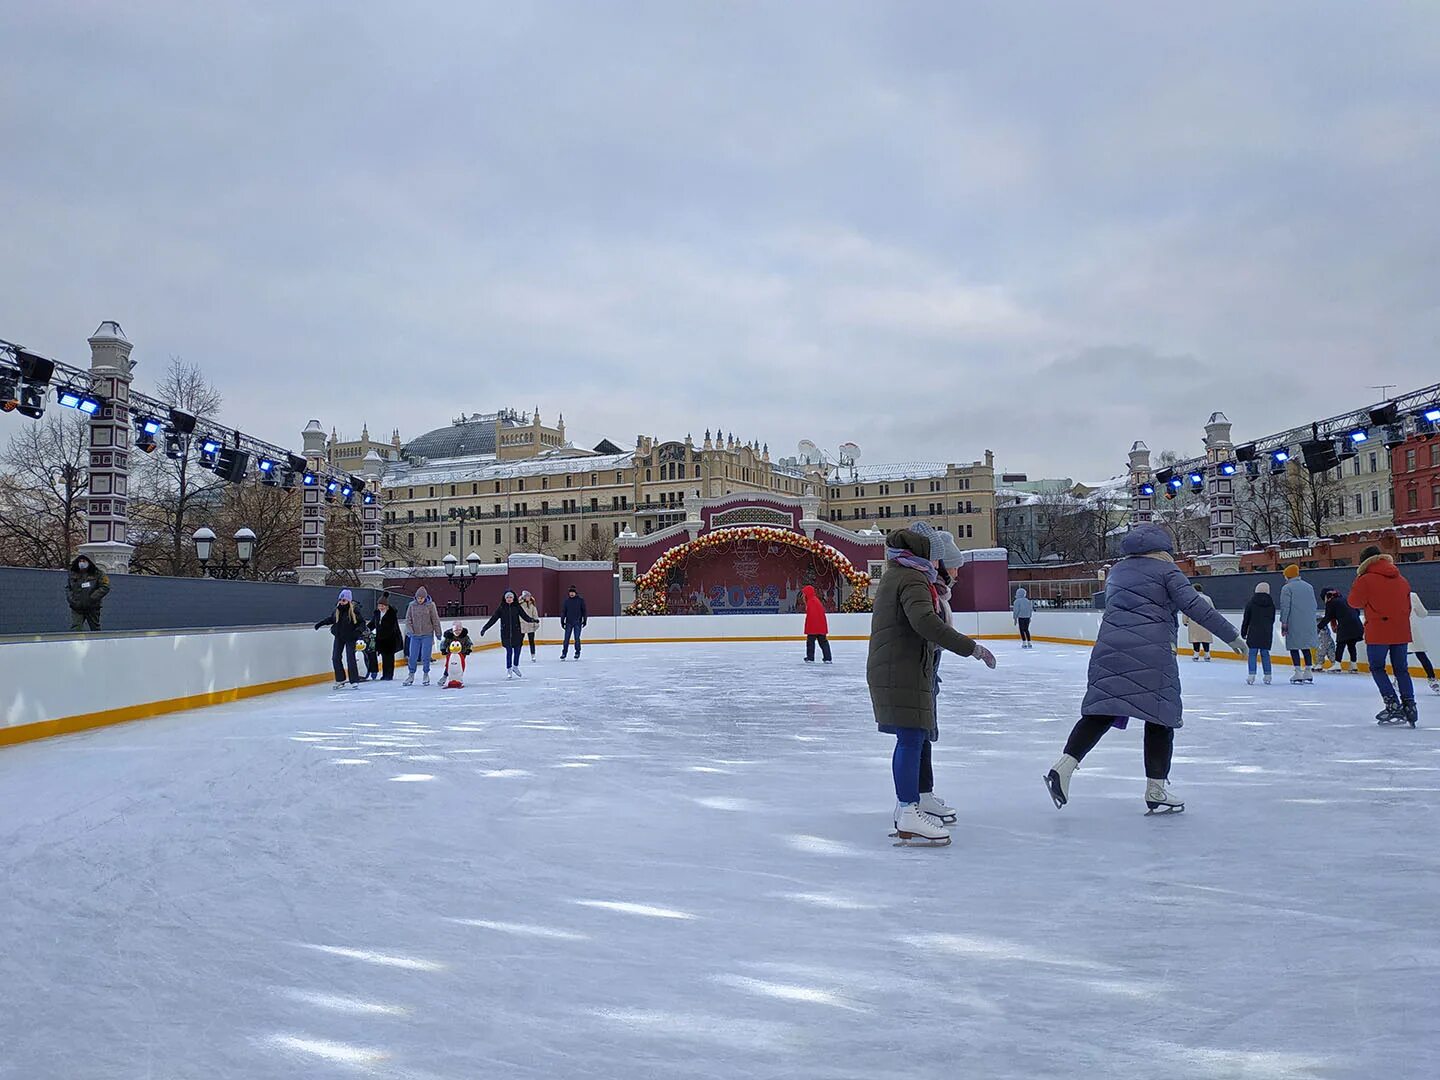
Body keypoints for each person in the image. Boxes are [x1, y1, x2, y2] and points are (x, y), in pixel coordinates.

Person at [1044, 525, 1242, 815]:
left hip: (1108, 648)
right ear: (1163, 549)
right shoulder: (1166, 571)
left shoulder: (1118, 572)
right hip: (1152, 651)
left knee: (1102, 711)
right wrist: (1233, 636)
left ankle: (1063, 767)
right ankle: (1156, 788)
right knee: (1160, 716)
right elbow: (1196, 607)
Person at [868, 527, 996, 846]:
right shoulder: (912, 578)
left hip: (903, 666)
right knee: (911, 738)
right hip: (903, 667)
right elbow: (925, 622)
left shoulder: (898, 574)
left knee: (914, 736)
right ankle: (909, 809)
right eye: (936, 558)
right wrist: (972, 648)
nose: (939, 564)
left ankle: (909, 806)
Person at [1348, 546, 1417, 726]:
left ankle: (1392, 703)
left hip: (1378, 631)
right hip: (1401, 630)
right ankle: (1410, 705)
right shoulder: (1402, 579)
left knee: (1378, 668)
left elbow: (1354, 602)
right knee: (1401, 669)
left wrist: (1358, 582)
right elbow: (1408, 606)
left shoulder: (1365, 580)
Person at [315, 589, 365, 689]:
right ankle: (340, 679)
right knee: (335, 657)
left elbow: (362, 623)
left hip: (351, 637)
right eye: (340, 600)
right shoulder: (337, 610)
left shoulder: (354, 610)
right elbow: (331, 619)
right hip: (339, 636)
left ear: (349, 601)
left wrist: (358, 633)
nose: (342, 602)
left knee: (350, 659)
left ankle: (354, 680)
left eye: (344, 600)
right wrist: (321, 623)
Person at [482, 590, 539, 678]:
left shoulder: (517, 607)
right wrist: (485, 628)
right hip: (506, 633)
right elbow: (493, 619)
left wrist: (533, 620)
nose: (509, 599)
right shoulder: (501, 608)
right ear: (505, 599)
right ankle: (509, 668)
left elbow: (525, 617)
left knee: (517, 650)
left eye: (510, 597)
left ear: (513, 598)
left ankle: (515, 666)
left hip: (517, 632)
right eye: (507, 597)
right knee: (509, 651)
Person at [1278, 564, 1319, 684]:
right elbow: (1314, 604)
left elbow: (1285, 606)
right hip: (1309, 621)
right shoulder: (1309, 586)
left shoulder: (1287, 588)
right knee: (1306, 646)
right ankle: (1308, 671)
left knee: (1294, 646)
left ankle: (1298, 672)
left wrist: (1284, 622)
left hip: (1293, 621)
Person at [403, 585, 443, 687]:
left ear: (425, 597)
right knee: (413, 656)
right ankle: (411, 675)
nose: (420, 600)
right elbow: (408, 619)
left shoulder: (430, 605)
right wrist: (410, 631)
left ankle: (426, 674)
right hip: (415, 635)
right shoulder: (412, 606)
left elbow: (435, 619)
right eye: (418, 598)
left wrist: (438, 633)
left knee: (426, 656)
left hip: (427, 634)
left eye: (422, 598)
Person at [1241, 582, 1277, 686]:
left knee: (1252, 653)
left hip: (1253, 631)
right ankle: (1268, 675)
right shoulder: (1271, 604)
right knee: (1265, 653)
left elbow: (1246, 619)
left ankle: (1251, 675)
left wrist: (1244, 632)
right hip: (1266, 632)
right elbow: (1272, 619)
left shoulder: (1251, 603)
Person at [1325, 586, 1366, 674]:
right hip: (1357, 625)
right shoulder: (1346, 599)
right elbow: (1357, 611)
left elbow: (1328, 617)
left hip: (1345, 626)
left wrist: (1319, 627)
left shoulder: (1332, 603)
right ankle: (1353, 665)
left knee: (1340, 644)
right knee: (1351, 645)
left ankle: (1337, 664)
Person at [66, 555, 110, 632]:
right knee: (76, 627)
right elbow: (68, 588)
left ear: (90, 562)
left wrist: (92, 598)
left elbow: (105, 587)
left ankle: (97, 642)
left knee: (95, 628)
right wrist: (71, 599)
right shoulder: (73, 573)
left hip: (92, 607)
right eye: (80, 561)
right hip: (77, 606)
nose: (81, 563)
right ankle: (76, 643)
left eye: (84, 561)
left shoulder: (98, 574)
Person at [368, 592, 403, 681]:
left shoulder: (391, 614)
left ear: (387, 606)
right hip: (381, 639)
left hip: (390, 639)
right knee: (384, 657)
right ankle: (384, 674)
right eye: (379, 606)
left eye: (383, 606)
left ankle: (389, 675)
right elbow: (372, 624)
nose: (381, 607)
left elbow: (391, 627)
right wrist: (366, 630)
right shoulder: (377, 614)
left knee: (389, 658)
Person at [1411, 592, 1438, 694]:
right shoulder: (1412, 596)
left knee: (1399, 657)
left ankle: (1397, 680)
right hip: (1411, 630)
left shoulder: (1388, 595)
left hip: (1398, 630)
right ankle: (1432, 679)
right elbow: (1423, 613)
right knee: (1421, 655)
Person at [1182, 584, 1216, 662]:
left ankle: (1196, 654)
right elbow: (1212, 610)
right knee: (1205, 638)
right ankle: (1207, 654)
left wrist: (1185, 620)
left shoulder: (1190, 599)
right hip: (1205, 621)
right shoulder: (1208, 598)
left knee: (1195, 639)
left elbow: (1186, 610)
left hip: (1194, 621)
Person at [801, 584, 832, 663]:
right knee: (823, 642)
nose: (803, 596)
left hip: (813, 627)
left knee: (810, 642)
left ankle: (810, 658)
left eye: (804, 593)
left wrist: (809, 627)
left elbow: (811, 616)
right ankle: (827, 658)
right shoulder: (815, 600)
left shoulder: (811, 602)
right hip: (821, 626)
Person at [560, 585, 587, 660]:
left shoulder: (580, 600)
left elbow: (584, 611)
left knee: (577, 638)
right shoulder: (566, 601)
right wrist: (562, 621)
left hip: (577, 622)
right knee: (566, 639)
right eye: (570, 592)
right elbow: (563, 612)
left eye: (573, 592)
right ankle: (564, 653)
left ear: (575, 593)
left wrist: (585, 620)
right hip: (568, 622)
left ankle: (577, 652)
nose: (571, 594)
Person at [1315, 591, 1337, 672]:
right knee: (1329, 646)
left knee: (1323, 646)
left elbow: (1327, 617)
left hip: (1321, 629)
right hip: (1322, 628)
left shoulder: (1331, 604)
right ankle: (1334, 662)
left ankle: (1319, 663)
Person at [519, 591, 541, 662]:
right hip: (522, 625)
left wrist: (536, 623)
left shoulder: (532, 606)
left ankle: (533, 655)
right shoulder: (520, 605)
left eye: (529, 596)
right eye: (526, 596)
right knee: (519, 642)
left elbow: (535, 615)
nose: (528, 597)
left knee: (531, 641)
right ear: (523, 597)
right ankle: (517, 655)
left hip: (530, 626)